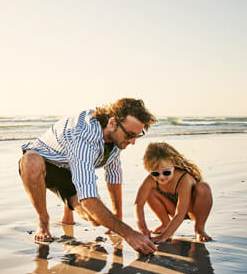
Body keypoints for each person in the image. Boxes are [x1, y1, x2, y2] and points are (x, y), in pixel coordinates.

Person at [19, 98, 158, 254]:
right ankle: (43, 221)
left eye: (137, 136)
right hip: (44, 160)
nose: (132, 142)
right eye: (130, 135)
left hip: (69, 170)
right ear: (112, 123)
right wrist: (129, 233)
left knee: (94, 219)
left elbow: (113, 175)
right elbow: (89, 199)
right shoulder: (83, 137)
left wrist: (117, 220)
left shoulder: (116, 137)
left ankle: (68, 210)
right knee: (31, 161)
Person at [134, 142, 213, 242]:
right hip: (172, 208)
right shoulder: (150, 180)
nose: (161, 177)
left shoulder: (184, 179)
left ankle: (199, 229)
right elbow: (138, 204)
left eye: (166, 172)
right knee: (150, 192)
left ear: (173, 165)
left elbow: (180, 213)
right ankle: (165, 223)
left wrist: (164, 237)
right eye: (155, 173)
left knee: (203, 187)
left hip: (192, 209)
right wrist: (143, 229)